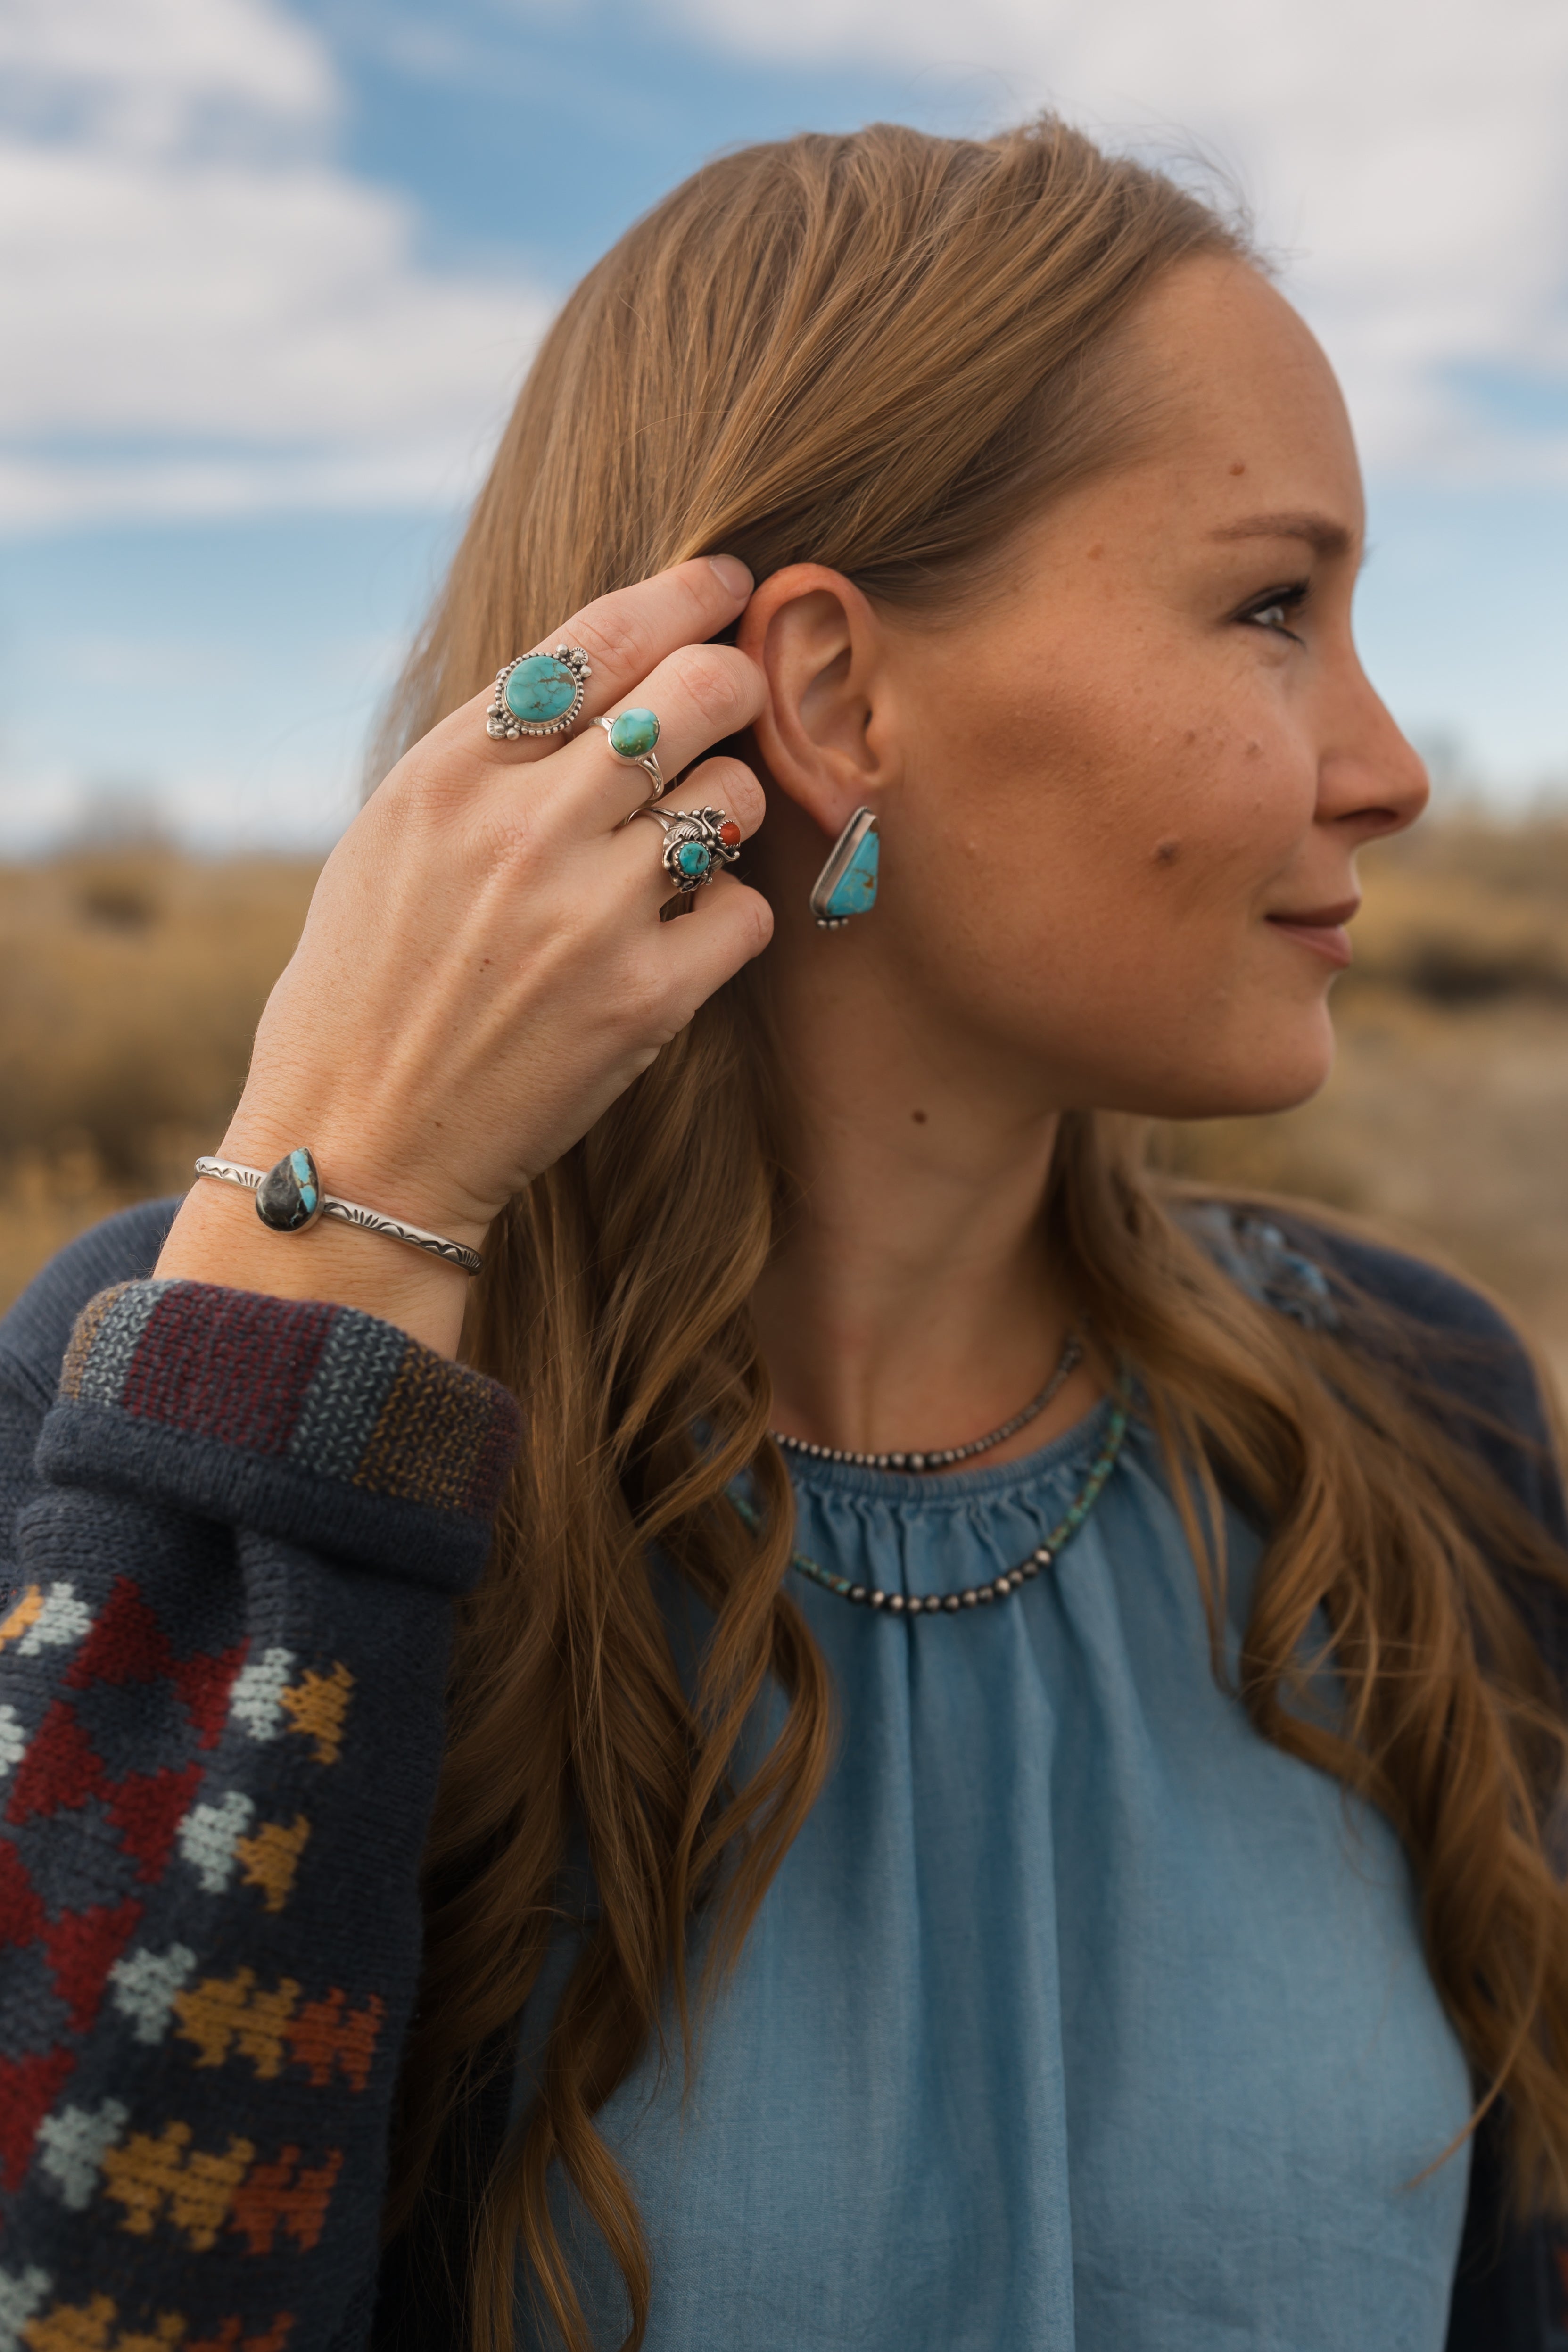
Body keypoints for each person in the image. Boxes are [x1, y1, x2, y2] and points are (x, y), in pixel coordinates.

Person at [2, 116, 1566, 2352]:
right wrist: (322, 1263)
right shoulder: (171, 1390)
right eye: (1268, 608)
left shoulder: (1407, 1413)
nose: (1393, 762)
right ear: (834, 696)